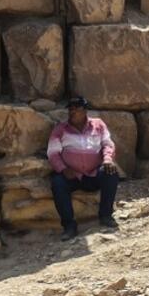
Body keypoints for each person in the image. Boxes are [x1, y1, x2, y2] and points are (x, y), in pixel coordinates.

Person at [46, 96, 120, 241]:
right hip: (73, 176)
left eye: (76, 109)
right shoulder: (60, 129)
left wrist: (107, 159)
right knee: (57, 183)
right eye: (70, 109)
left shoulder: (98, 125)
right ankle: (69, 226)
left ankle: (105, 216)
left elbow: (107, 143)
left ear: (85, 110)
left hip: (93, 173)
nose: (72, 112)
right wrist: (62, 169)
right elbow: (52, 153)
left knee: (111, 172)